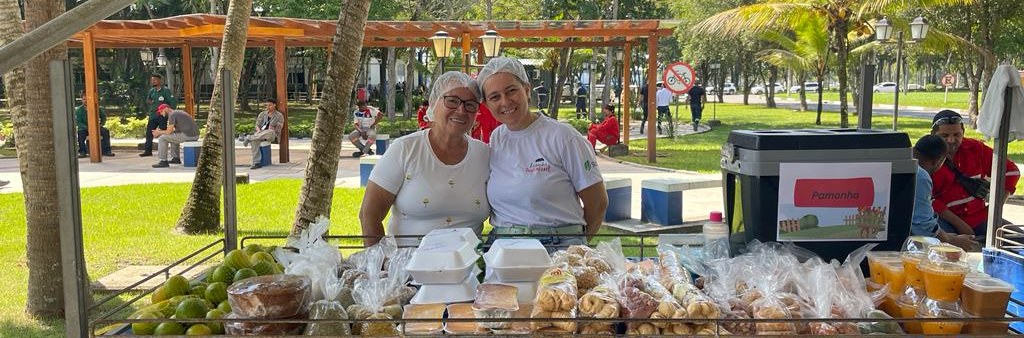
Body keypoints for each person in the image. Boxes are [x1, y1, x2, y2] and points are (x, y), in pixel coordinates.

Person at [477, 57, 608, 251]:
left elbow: (597, 203)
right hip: (502, 249)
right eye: (495, 97)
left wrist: (574, 248)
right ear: (487, 104)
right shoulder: (497, 139)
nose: (505, 101)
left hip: (556, 248)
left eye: (511, 90)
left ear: (527, 90)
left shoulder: (563, 137)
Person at [359, 71, 490, 247]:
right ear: (434, 103)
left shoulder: (484, 155)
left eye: (471, 104)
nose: (461, 110)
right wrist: (381, 264)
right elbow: (369, 214)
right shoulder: (405, 149)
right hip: (408, 267)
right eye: (452, 100)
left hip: (469, 268)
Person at [930, 109, 1020, 242]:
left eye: (957, 135)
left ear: (963, 133)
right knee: (946, 252)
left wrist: (994, 210)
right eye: (944, 135)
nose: (951, 140)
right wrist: (961, 225)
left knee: (1017, 241)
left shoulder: (976, 148)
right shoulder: (926, 155)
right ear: (933, 134)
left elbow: (1011, 172)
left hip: (980, 217)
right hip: (944, 220)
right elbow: (929, 200)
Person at [912, 135, 979, 251]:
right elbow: (924, 226)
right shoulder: (921, 177)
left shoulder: (906, 166)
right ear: (938, 161)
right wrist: (953, 241)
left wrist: (949, 237)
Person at [141, 74, 176, 157]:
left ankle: (166, 151)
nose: (153, 81)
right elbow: (148, 99)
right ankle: (147, 151)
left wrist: (169, 112)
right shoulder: (152, 91)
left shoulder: (166, 91)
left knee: (164, 133)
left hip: (162, 115)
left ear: (160, 81)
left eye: (155, 80)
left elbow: (172, 103)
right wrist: (150, 102)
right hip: (153, 115)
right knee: (149, 133)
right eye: (152, 80)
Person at [244, 98, 284, 169]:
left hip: (272, 134)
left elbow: (279, 128)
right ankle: (256, 163)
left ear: (274, 105)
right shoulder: (262, 114)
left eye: (270, 105)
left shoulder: (279, 115)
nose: (268, 107)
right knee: (255, 140)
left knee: (270, 131)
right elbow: (257, 125)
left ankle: (248, 137)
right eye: (267, 105)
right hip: (260, 133)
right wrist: (258, 130)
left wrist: (273, 128)